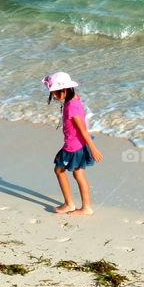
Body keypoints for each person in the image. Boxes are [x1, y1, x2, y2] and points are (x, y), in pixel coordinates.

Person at [43, 71, 102, 215]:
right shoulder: (75, 98)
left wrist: (93, 149)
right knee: (78, 174)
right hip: (80, 144)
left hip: (73, 146)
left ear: (65, 89)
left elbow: (82, 129)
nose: (55, 97)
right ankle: (86, 207)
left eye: (56, 93)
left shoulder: (71, 107)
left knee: (59, 170)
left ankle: (69, 204)